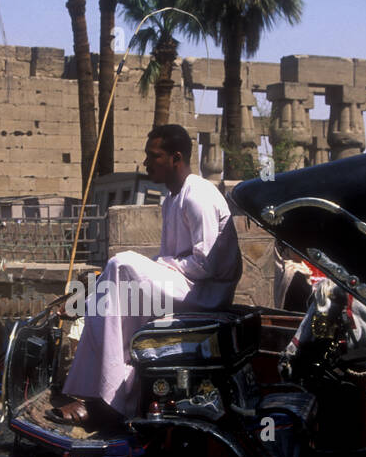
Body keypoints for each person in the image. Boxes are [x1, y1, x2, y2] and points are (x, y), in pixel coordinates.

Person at [53, 124, 242, 428]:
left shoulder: (198, 195)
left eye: (153, 156)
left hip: (206, 292)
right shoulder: (171, 199)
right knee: (110, 290)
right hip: (184, 284)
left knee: (122, 264)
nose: (146, 163)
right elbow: (173, 259)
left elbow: (204, 265)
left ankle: (108, 399)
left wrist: (159, 264)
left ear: (176, 158)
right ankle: (102, 392)